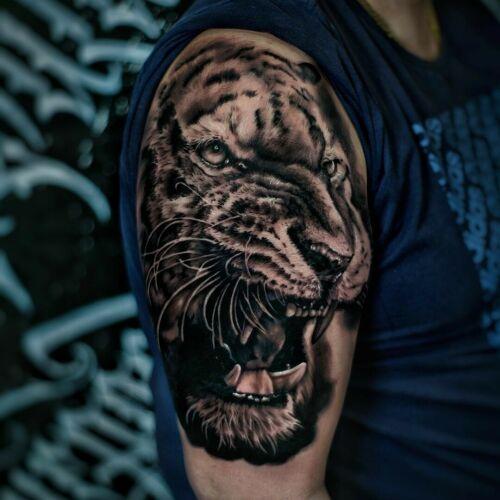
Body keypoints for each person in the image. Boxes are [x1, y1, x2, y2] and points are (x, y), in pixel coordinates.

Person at [119, 1, 500, 498]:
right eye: (219, 154)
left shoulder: (468, 25)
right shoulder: (256, 57)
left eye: (331, 171)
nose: (338, 244)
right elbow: (251, 493)